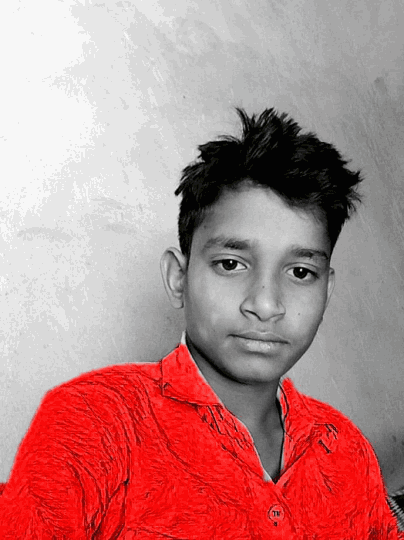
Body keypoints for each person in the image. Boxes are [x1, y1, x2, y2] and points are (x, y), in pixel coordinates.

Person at [0, 108, 402, 539]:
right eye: (231, 264)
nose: (266, 305)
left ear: (327, 290)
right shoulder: (94, 425)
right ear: (179, 278)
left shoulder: (345, 450)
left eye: (301, 272)